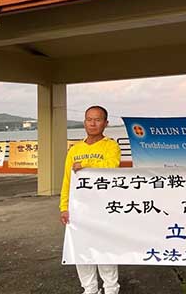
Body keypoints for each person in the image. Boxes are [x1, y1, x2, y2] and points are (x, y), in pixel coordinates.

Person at [60, 105, 121, 294]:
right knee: (81, 250)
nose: (93, 123)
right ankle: (90, 289)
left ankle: (111, 288)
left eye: (97, 119)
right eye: (89, 119)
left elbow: (112, 166)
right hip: (79, 208)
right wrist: (64, 206)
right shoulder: (74, 149)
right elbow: (67, 180)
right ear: (84, 122)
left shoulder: (111, 145)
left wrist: (86, 163)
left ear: (106, 123)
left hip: (104, 207)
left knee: (104, 248)